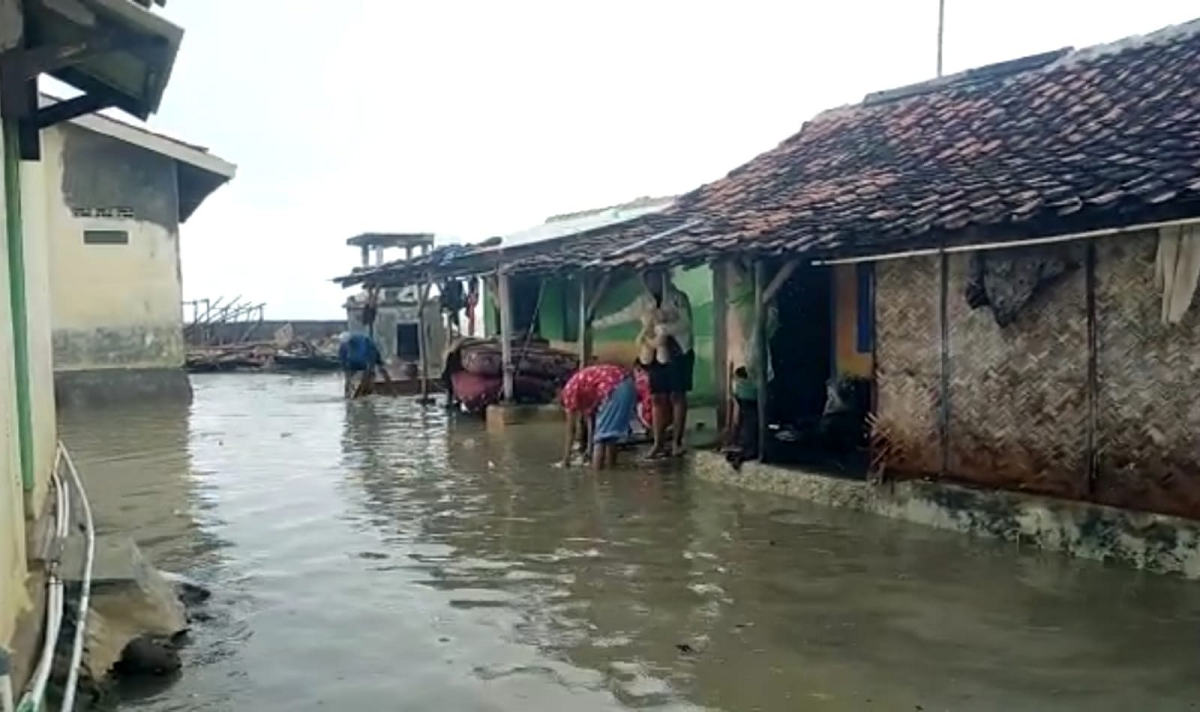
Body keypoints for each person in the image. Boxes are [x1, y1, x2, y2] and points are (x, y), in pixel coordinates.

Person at [558, 363, 640, 469]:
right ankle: (610, 473)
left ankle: (597, 479)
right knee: (610, 437)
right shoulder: (583, 386)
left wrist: (565, 460)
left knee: (600, 440)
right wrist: (589, 449)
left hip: (614, 387)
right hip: (628, 384)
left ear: (558, 391)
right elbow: (591, 422)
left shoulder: (568, 392)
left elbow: (571, 430)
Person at [338, 330, 391, 398]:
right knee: (349, 376)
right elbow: (343, 359)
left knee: (378, 369)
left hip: (369, 356)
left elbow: (369, 358)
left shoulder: (364, 341)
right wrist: (345, 369)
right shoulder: (344, 346)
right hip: (357, 360)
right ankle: (349, 394)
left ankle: (392, 391)